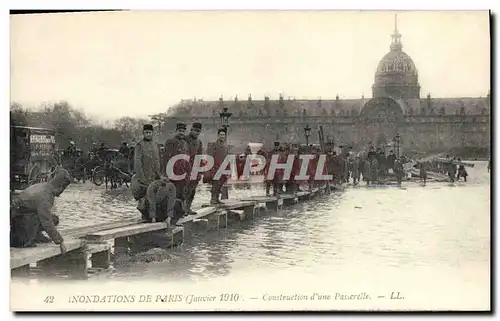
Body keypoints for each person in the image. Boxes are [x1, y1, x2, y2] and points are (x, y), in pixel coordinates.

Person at [10, 168, 71, 253]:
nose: (61, 193)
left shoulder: (45, 186)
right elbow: (46, 221)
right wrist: (60, 241)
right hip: (19, 226)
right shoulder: (46, 196)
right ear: (60, 186)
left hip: (19, 218)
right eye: (63, 189)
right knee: (49, 219)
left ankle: (35, 235)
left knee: (54, 219)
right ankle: (27, 239)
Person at [132, 124, 161, 210]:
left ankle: (152, 215)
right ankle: (144, 214)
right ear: (143, 133)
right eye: (146, 132)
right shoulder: (139, 145)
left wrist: (159, 173)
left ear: (152, 133)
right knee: (144, 196)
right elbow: (137, 161)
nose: (148, 134)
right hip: (144, 174)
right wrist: (141, 176)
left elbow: (158, 159)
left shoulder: (155, 144)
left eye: (150, 132)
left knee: (154, 195)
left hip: (154, 174)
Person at [164, 122, 190, 217]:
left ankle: (181, 212)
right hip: (172, 172)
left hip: (182, 172)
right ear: (176, 131)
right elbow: (166, 157)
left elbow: (188, 158)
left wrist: (188, 171)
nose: (181, 133)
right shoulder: (170, 142)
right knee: (172, 193)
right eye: (179, 131)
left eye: (183, 131)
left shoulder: (185, 144)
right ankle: (171, 213)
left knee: (182, 193)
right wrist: (166, 173)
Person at [205, 128, 229, 205]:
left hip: (223, 167)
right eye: (221, 134)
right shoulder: (214, 145)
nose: (222, 136)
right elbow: (210, 156)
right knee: (215, 184)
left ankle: (217, 199)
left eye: (223, 135)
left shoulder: (225, 146)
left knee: (220, 184)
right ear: (218, 135)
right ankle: (213, 199)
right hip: (215, 167)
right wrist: (211, 167)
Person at [185, 123, 203, 215]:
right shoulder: (185, 139)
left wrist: (200, 171)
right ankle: (182, 209)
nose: (196, 133)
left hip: (195, 168)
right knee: (184, 190)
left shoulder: (199, 142)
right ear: (191, 130)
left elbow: (199, 157)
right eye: (195, 130)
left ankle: (188, 208)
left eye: (198, 131)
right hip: (185, 168)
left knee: (192, 190)